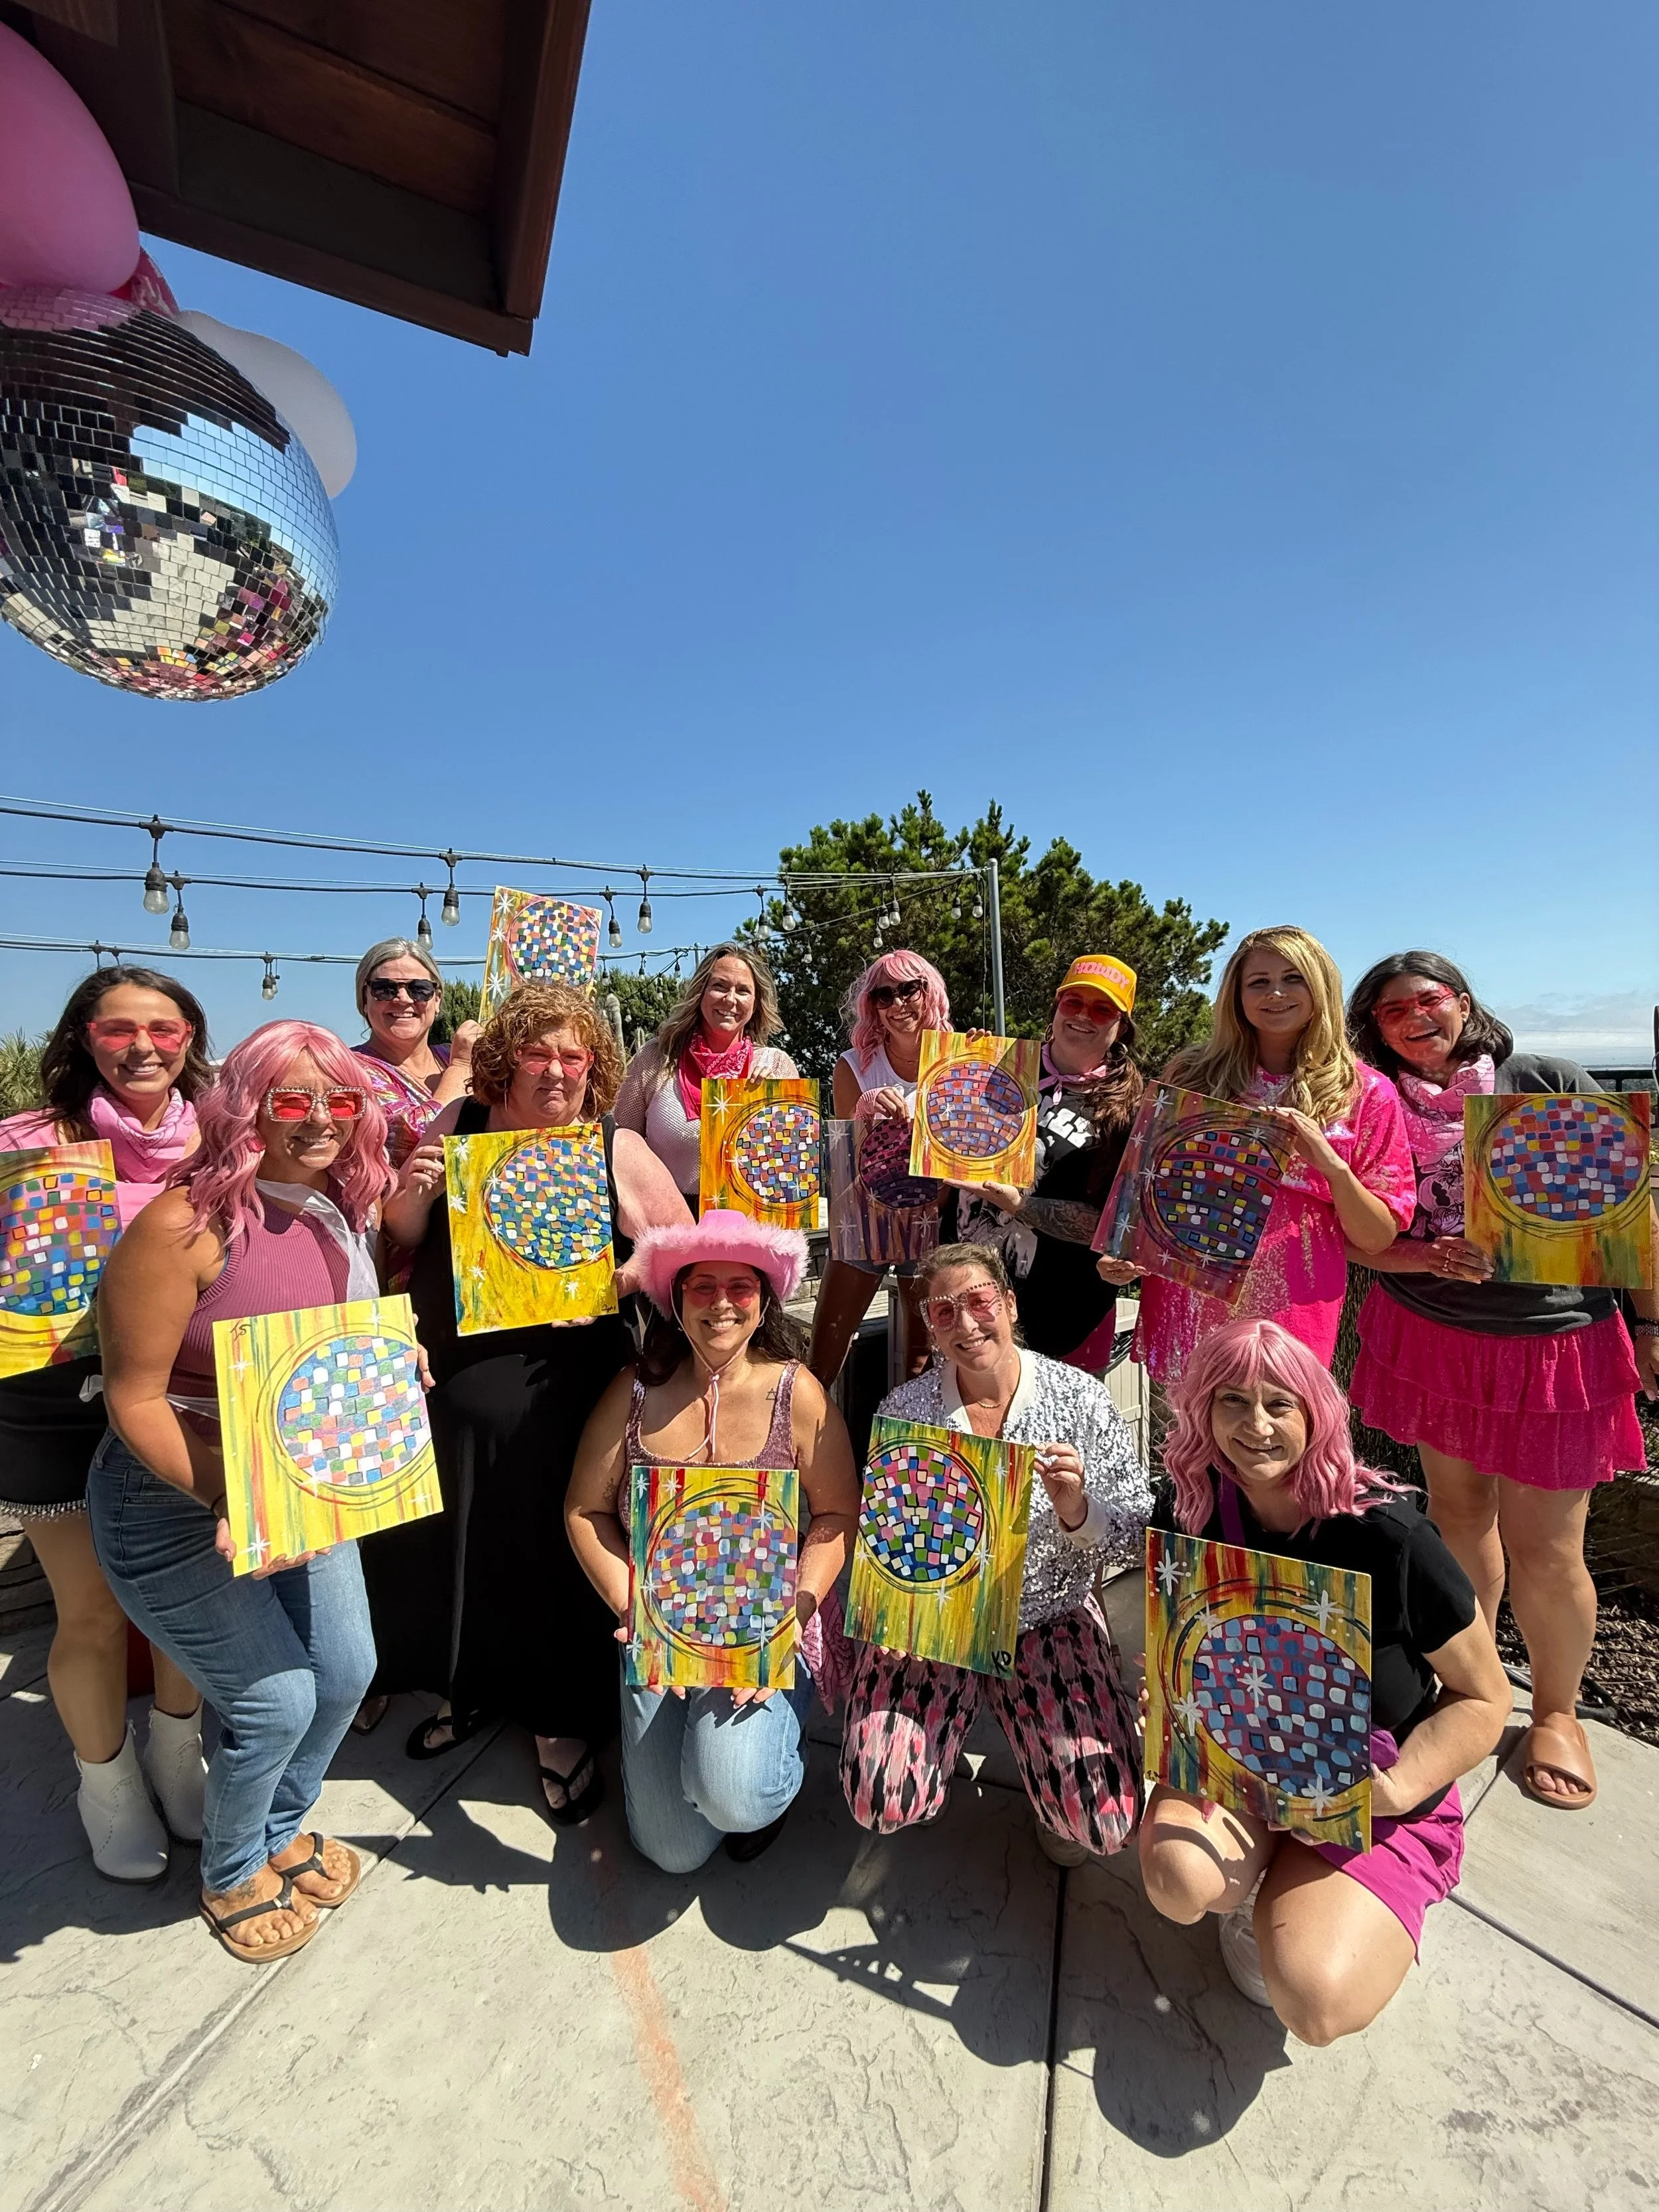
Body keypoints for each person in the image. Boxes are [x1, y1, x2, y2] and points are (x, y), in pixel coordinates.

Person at [90, 1021, 390, 1959]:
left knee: (346, 1673)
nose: (319, 1120)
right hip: (174, 1498)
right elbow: (135, 1399)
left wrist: (392, 1361)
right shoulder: (181, 1226)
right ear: (246, 1101)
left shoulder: (334, 1212)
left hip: (295, 1485)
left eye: (339, 1100)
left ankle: (280, 1829)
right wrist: (237, 1495)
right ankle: (230, 1871)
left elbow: (331, 1351)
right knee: (275, 1701)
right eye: (293, 1098)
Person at [368, 982, 691, 1820]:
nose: (557, 1071)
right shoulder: (460, 1127)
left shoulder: (609, 1143)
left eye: (574, 1057)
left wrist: (628, 1268)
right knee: (462, 1536)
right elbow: (400, 1232)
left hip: (564, 1376)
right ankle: (473, 1686)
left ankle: (560, 1717)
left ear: (594, 1069)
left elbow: (678, 1240)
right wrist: (414, 1188)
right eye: (540, 1053)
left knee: (548, 1537)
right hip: (454, 1370)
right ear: (506, 1061)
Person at [1345, 951, 1657, 1811]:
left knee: (1550, 1545)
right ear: (1372, 1029)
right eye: (1388, 1009)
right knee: (1458, 1520)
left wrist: (1654, 1322)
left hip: (1556, 1342)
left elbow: (1629, 1207)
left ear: (1464, 1003)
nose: (1411, 1016)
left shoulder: (1542, 1077)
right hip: (1435, 1335)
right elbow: (1354, 1219)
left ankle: (1556, 1713)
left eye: (1426, 999)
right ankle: (1473, 1689)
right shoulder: (1375, 1103)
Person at [1139, 1317, 1509, 2041]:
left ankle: (1297, 1896)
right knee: (1177, 1879)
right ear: (1201, 1411)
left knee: (1314, 2003)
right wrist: (1168, 1686)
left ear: (1317, 1410)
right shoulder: (1190, 1508)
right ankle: (1256, 1890)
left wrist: (1397, 1789)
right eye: (1231, 1401)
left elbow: (1486, 1697)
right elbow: (1178, 1654)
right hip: (1239, 1753)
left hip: (1369, 1780)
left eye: (1280, 1404)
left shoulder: (1390, 1536)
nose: (1256, 1426)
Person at [0, 965, 214, 1882]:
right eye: (119, 1030)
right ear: (83, 1040)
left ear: (190, 1043)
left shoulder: (220, 1145)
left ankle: (177, 1751)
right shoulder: (28, 1144)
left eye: (164, 1031)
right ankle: (106, 1781)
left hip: (179, 1391)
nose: (143, 1048)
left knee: (176, 1605)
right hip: (53, 1395)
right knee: (88, 1612)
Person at [839, 1242, 1149, 1865]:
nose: (968, 1323)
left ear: (1009, 1303)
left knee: (1102, 1817)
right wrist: (893, 1615)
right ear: (929, 1323)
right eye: (944, 1312)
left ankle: (1054, 1796)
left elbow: (1138, 1530)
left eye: (979, 1301)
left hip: (1047, 1613)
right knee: (880, 1793)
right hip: (937, 1620)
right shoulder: (905, 1411)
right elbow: (883, 1537)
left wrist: (1077, 1509)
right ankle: (931, 1765)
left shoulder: (1079, 1400)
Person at [567, 1211, 859, 1870]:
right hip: (660, 1625)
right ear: (675, 1300)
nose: (721, 1303)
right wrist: (631, 1606)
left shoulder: (798, 1394)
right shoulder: (634, 1392)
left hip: (763, 1626)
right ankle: (710, 1771)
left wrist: (795, 1616)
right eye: (703, 1286)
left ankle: (762, 1776)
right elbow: (584, 1510)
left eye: (740, 1288)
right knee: (673, 1852)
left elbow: (838, 1515)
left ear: (764, 1304)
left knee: (735, 1798)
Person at [1112, 925, 1414, 1382]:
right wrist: (1123, 1254)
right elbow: (1147, 1187)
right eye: (1258, 982)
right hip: (1187, 1303)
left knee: (1277, 1442)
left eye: (1294, 978)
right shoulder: (1192, 1074)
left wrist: (1331, 1167)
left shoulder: (1368, 1092)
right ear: (1237, 996)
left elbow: (1376, 1235)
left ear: (1321, 986)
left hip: (1293, 1308)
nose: (1276, 993)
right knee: (1189, 1446)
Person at [952, 954, 1144, 1368]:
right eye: (1073, 1002)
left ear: (1121, 1026)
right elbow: (943, 1140)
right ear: (1056, 1007)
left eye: (1102, 1009)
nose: (1083, 1016)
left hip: (1066, 1324)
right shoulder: (1000, 1067)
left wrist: (1021, 1206)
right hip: (969, 1314)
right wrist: (958, 1065)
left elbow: (1116, 1225)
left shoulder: (1130, 1110)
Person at [809, 950, 953, 1387]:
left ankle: (907, 1451)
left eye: (910, 989)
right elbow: (847, 1158)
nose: (898, 1003)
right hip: (863, 1221)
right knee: (824, 1352)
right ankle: (807, 1450)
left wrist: (985, 1064)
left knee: (922, 1364)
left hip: (933, 1220)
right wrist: (863, 1111)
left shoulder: (958, 1059)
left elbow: (972, 1144)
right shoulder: (853, 1064)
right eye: (884, 995)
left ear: (931, 994)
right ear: (871, 1006)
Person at [613, 942, 799, 1206]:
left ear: (756, 1004)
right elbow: (620, 1146)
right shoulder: (655, 1058)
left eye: (743, 991)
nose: (730, 999)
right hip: (669, 1225)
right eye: (720, 986)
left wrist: (772, 1106)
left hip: (751, 1226)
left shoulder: (777, 1066)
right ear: (701, 992)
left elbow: (791, 1165)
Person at [352, 936, 480, 1169]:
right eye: (385, 989)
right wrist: (461, 1066)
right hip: (396, 1203)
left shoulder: (448, 1055)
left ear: (437, 1000)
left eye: (419, 989)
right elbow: (409, 1139)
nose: (403, 999)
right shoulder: (349, 1070)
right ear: (364, 999)